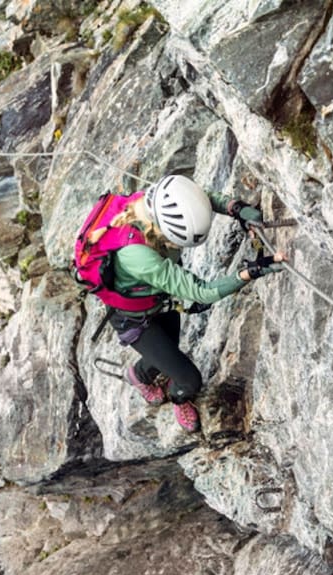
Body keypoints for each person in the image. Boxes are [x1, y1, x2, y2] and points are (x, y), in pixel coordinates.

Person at [105, 175, 284, 432]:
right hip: (135, 318)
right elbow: (202, 292)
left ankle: (140, 373)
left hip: (156, 299)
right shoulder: (139, 257)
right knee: (189, 379)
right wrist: (251, 272)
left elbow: (199, 200)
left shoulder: (162, 201)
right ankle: (178, 396)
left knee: (168, 352)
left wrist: (236, 208)